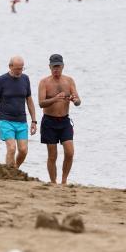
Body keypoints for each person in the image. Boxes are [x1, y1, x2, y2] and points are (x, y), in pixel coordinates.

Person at [37, 54, 80, 185]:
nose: (56, 70)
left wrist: (75, 100)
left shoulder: (69, 81)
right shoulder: (44, 82)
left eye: (59, 67)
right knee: (52, 155)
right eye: (54, 67)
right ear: (49, 67)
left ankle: (64, 180)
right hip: (49, 122)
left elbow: (78, 101)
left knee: (70, 152)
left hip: (65, 121)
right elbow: (41, 103)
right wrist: (55, 98)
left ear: (63, 66)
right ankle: (53, 182)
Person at [0, 56, 37, 168]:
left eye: (21, 69)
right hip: (5, 120)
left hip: (21, 120)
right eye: (17, 69)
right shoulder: (1, 80)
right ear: (10, 66)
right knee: (11, 148)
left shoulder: (25, 79)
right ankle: (10, 172)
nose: (19, 71)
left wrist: (34, 121)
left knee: (23, 150)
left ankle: (14, 169)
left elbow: (29, 101)